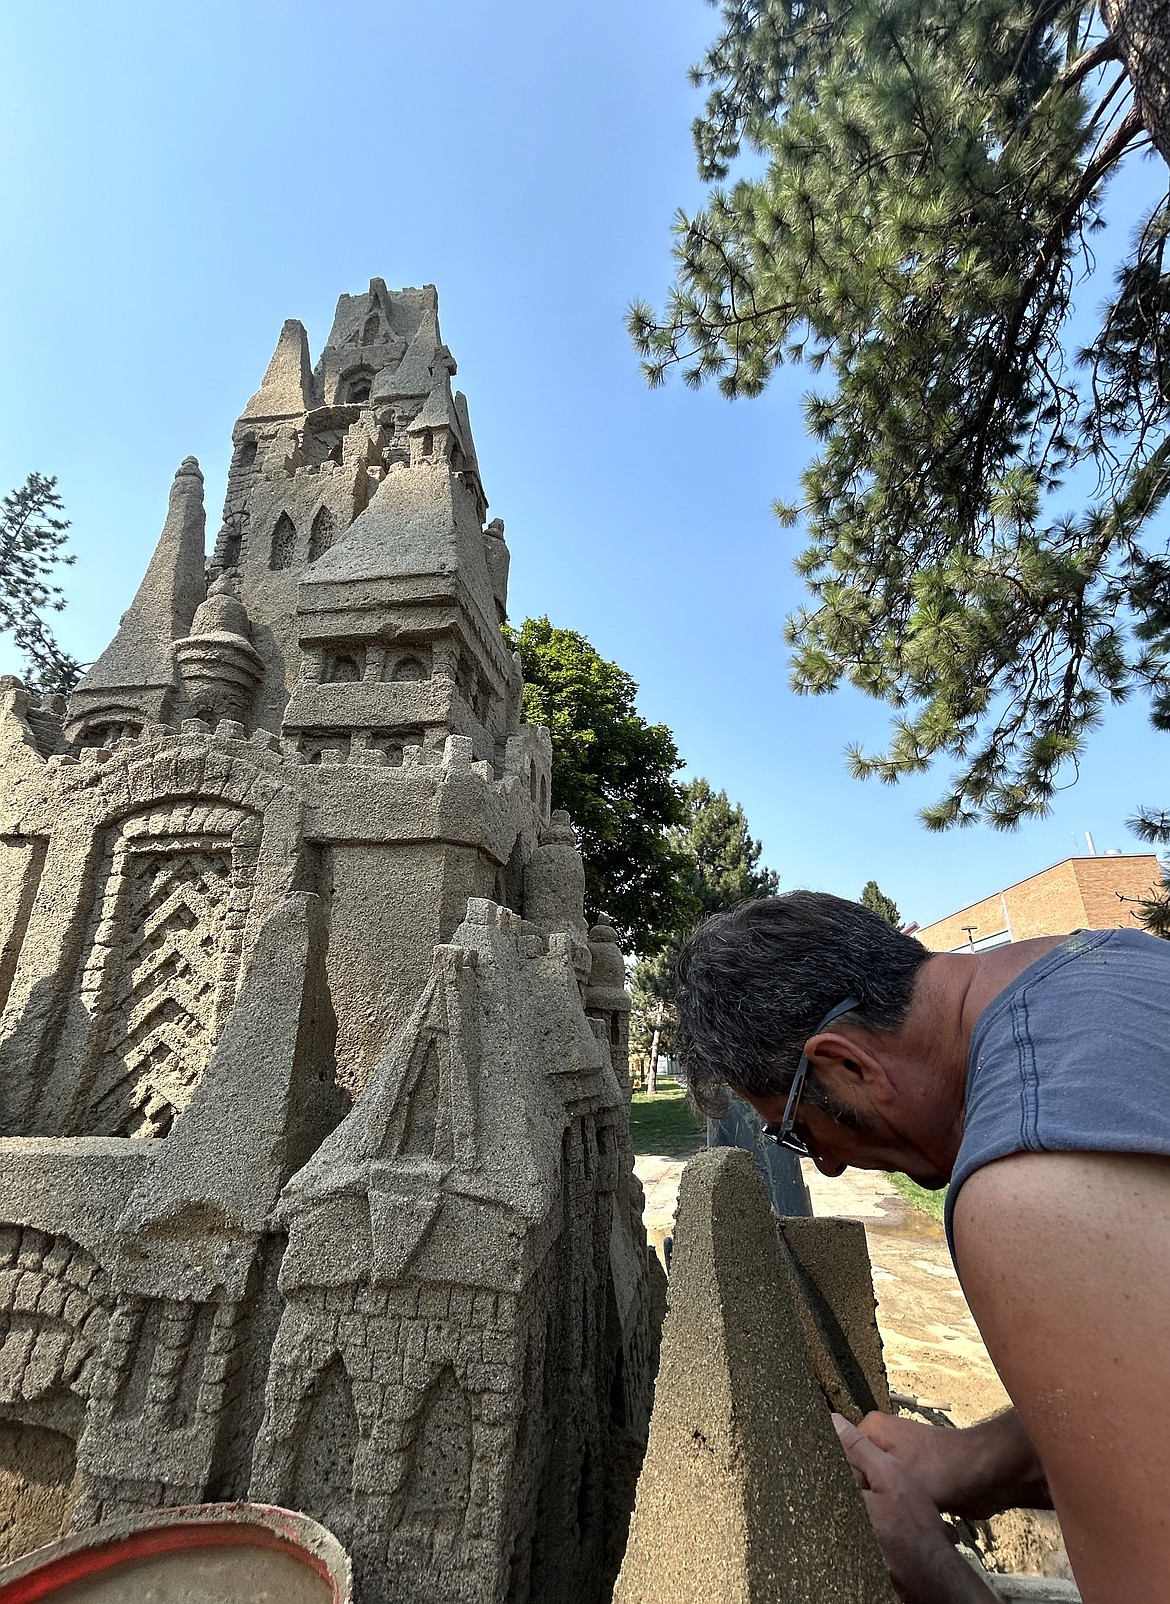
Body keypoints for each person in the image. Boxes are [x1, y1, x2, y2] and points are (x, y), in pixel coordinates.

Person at [674, 891, 1170, 1604]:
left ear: (848, 1065)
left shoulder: (1032, 1191)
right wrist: (977, 1460)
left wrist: (934, 1573)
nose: (829, 1166)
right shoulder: (1114, 959)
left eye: (799, 1132)